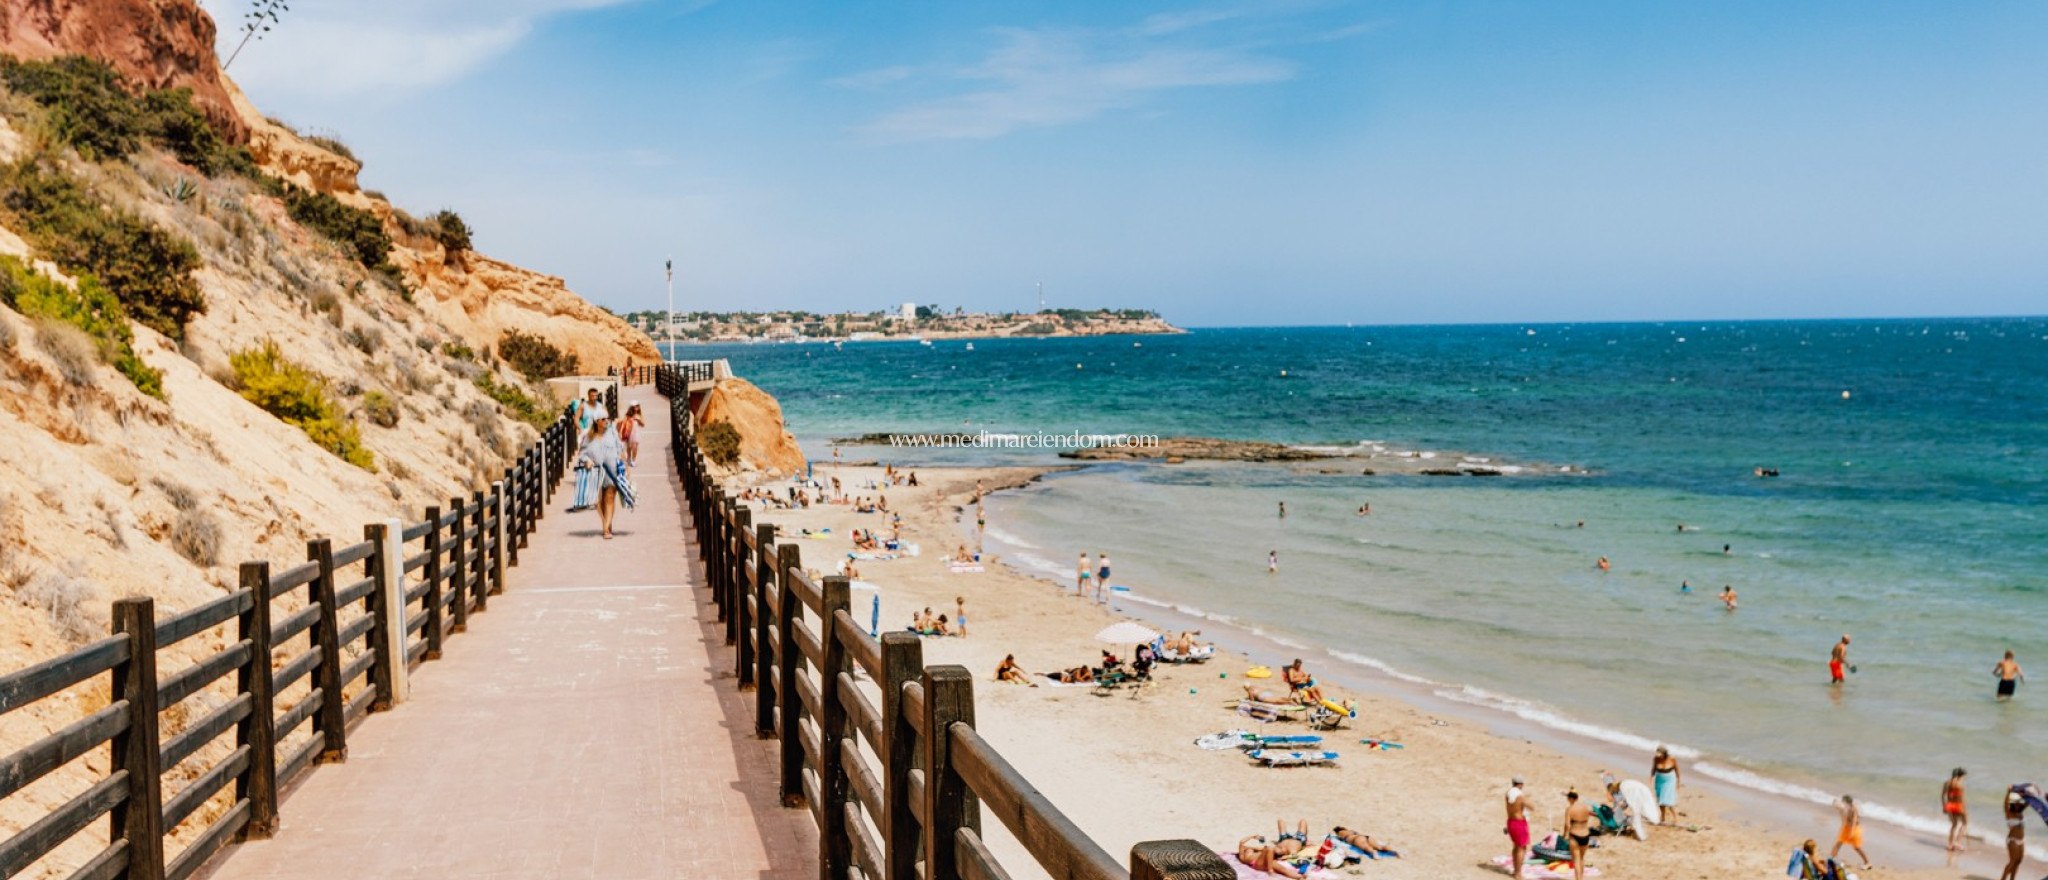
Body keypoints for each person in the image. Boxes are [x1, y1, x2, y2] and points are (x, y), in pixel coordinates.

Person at [576, 416, 625, 539]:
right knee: (598, 501)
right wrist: (587, 461)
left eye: (607, 419)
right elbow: (582, 454)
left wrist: (624, 466)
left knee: (610, 498)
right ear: (596, 421)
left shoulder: (612, 433)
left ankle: (606, 528)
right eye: (603, 419)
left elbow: (620, 449)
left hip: (612, 471)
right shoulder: (589, 437)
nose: (606, 421)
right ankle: (606, 522)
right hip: (595, 472)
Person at [1235, 834, 1304, 879]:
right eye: (1246, 849)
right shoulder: (1242, 856)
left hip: (1265, 862)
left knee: (1283, 869)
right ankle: (1270, 870)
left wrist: (1251, 847)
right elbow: (1241, 842)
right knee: (1269, 848)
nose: (1248, 849)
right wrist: (1252, 836)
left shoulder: (1253, 852)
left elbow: (1260, 849)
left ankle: (1299, 876)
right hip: (1257, 864)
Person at [1830, 794, 1871, 869]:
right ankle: (1832, 857)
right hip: (1847, 829)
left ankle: (1867, 862)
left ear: (1846, 802)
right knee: (1838, 843)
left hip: (1853, 830)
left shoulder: (1853, 809)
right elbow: (1843, 818)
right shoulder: (1846, 809)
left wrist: (1851, 832)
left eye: (1843, 801)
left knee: (1857, 847)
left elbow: (1854, 821)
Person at [1504, 776, 1533, 880]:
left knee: (1516, 846)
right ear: (1520, 784)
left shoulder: (1508, 794)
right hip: (1519, 823)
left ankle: (1515, 869)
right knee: (1522, 848)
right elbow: (1531, 807)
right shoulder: (1520, 796)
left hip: (1510, 821)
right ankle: (1518, 873)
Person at [1563, 790, 1593, 880]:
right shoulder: (1585, 807)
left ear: (1570, 799)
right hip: (1586, 834)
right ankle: (1581, 878)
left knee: (1576, 860)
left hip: (1575, 835)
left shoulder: (1569, 809)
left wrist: (1564, 835)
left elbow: (1567, 825)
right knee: (1581, 859)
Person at [1652, 746, 1682, 825]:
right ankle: (1663, 816)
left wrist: (1678, 781)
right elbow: (1654, 768)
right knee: (1660, 799)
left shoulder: (1672, 759)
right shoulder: (1656, 759)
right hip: (1659, 780)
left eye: (1660, 755)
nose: (1659, 756)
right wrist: (1651, 777)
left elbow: (1677, 770)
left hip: (1669, 780)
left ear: (1664, 754)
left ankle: (1675, 818)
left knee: (1669, 800)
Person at [2002, 789, 2027, 880]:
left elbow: (2029, 802)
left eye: (2018, 802)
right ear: (2012, 803)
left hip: (2021, 840)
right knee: (2013, 861)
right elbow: (2005, 803)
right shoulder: (2009, 813)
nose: (2017, 804)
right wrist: (2008, 792)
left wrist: (2028, 794)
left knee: (2018, 861)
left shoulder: (2020, 812)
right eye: (2015, 802)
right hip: (2013, 840)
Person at [1944, 768, 1969, 852]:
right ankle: (1957, 843)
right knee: (1965, 823)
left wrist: (1944, 806)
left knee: (1954, 824)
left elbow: (1945, 796)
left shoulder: (1947, 783)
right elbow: (1961, 798)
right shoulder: (1959, 785)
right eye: (1964, 776)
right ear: (1960, 776)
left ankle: (1950, 844)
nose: (1964, 778)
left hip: (1950, 805)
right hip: (1958, 806)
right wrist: (1965, 809)